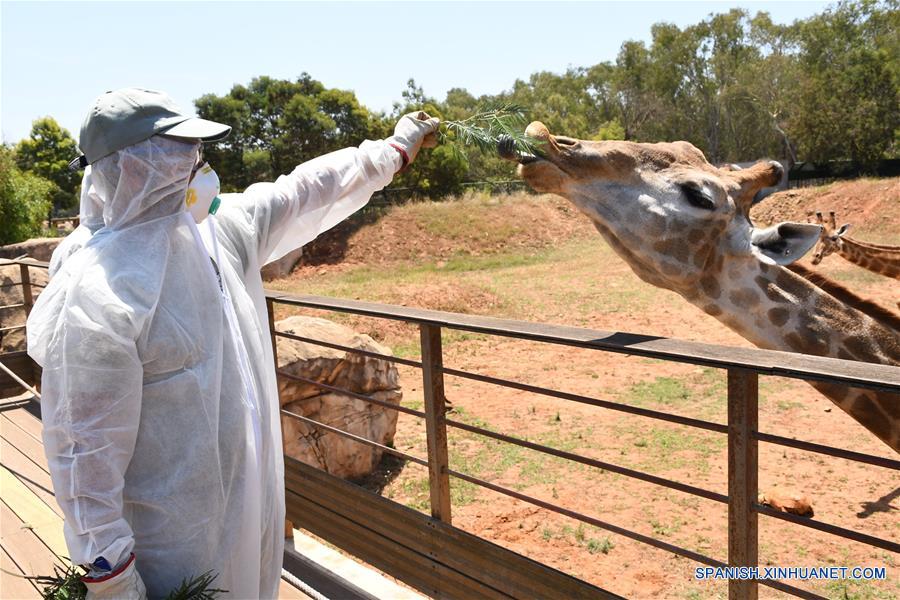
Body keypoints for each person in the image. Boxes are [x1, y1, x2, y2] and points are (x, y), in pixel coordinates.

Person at [26, 87, 438, 599]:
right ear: (131, 166)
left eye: (193, 151)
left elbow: (305, 189)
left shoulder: (219, 233)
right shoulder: (98, 287)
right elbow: (82, 449)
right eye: (177, 152)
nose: (194, 164)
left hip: (252, 518)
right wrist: (110, 576)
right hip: (171, 558)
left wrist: (393, 150)